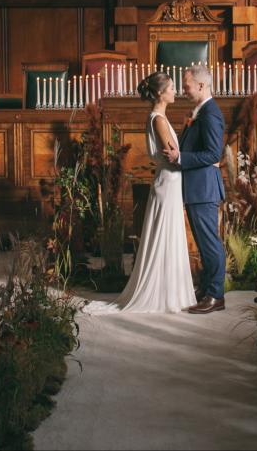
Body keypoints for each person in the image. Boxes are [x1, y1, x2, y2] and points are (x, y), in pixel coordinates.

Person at [83, 72, 196, 314]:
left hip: (169, 182)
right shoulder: (158, 120)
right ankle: (164, 294)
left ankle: (170, 291)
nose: (175, 91)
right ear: (160, 93)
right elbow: (175, 157)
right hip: (168, 182)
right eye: (172, 87)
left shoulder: (159, 118)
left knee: (168, 236)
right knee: (165, 237)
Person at [163, 64, 226, 314]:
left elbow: (213, 153)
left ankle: (215, 295)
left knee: (210, 243)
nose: (183, 89)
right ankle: (208, 288)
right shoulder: (200, 111)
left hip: (204, 188)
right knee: (204, 242)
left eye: (187, 85)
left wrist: (180, 158)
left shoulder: (210, 113)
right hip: (197, 188)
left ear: (201, 85)